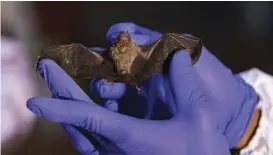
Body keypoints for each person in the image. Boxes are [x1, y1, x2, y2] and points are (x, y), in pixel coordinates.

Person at [27, 22, 273, 155]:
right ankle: (53, 60)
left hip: (140, 70)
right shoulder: (108, 52)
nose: (123, 42)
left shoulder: (146, 52)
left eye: (125, 41)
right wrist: (251, 124)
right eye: (121, 41)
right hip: (120, 74)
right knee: (88, 67)